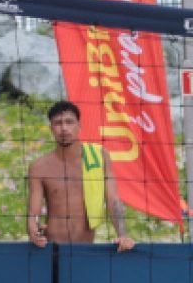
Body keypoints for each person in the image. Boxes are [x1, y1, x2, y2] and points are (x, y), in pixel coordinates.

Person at [26, 100, 135, 252]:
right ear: (51, 129)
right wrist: (33, 229)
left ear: (79, 126)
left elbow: (113, 199)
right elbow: (33, 212)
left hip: (86, 250)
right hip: (50, 249)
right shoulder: (39, 167)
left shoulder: (99, 156)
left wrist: (123, 234)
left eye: (69, 122)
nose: (64, 128)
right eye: (58, 123)